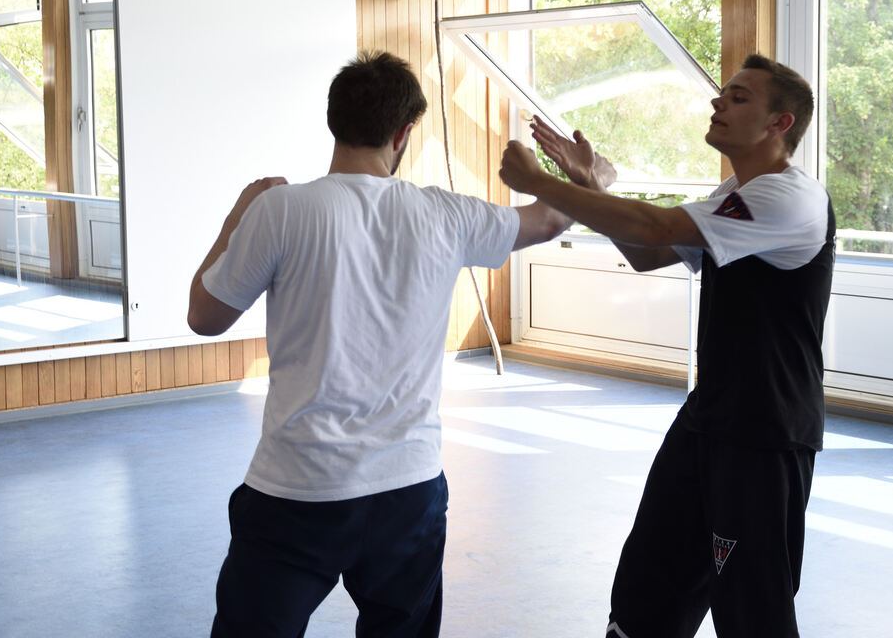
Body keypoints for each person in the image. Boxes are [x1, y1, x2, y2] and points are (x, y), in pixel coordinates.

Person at [187, 50, 576, 638]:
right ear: (403, 133)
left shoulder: (280, 210)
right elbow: (548, 220)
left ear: (334, 120)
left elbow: (204, 317)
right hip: (408, 489)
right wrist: (584, 177)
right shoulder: (446, 214)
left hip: (298, 488)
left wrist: (239, 214)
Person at [498, 53, 834, 638]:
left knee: (752, 608)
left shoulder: (790, 199)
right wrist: (585, 183)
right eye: (724, 92)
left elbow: (654, 227)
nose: (718, 102)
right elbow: (647, 251)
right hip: (710, 418)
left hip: (765, 432)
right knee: (648, 588)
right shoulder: (736, 191)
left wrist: (539, 184)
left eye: (739, 97)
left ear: (779, 123)